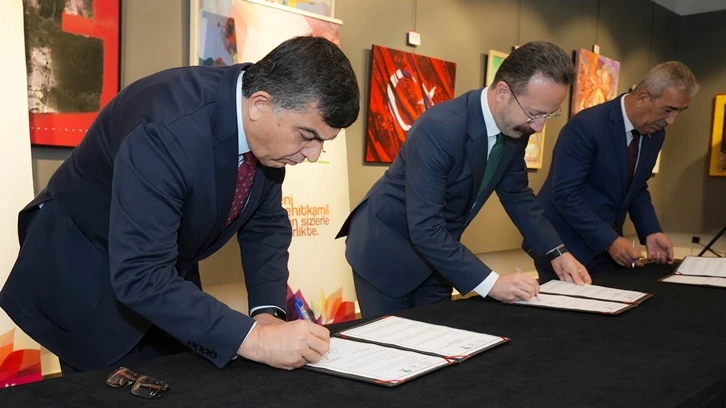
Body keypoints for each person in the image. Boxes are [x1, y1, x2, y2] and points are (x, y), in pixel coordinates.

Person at [0, 36, 360, 373]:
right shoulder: (166, 129)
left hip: (162, 277)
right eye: (307, 136)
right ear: (260, 105)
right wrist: (258, 340)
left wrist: (267, 316)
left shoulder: (267, 133)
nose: (313, 155)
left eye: (323, 142)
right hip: (85, 274)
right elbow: (141, 274)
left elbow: (265, 226)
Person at [337, 41, 591, 318]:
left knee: (440, 334)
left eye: (548, 115)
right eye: (534, 113)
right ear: (503, 92)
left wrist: (557, 252)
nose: (539, 127)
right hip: (386, 253)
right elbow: (425, 227)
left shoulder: (516, 129)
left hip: (440, 259)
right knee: (392, 341)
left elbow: (518, 196)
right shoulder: (439, 128)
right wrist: (492, 283)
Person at [528, 61, 698, 283]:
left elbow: (637, 187)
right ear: (643, 97)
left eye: (679, 111)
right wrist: (610, 240)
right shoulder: (586, 126)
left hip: (606, 250)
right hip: (564, 246)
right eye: (668, 110)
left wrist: (651, 231)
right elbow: (565, 195)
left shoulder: (655, 134)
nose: (672, 121)